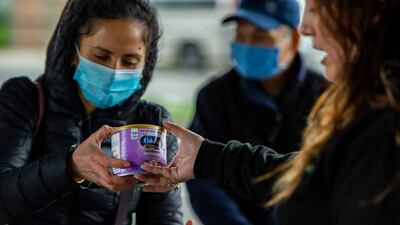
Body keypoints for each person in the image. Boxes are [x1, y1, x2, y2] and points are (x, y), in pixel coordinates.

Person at [135, 0, 400, 224]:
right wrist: (207, 158)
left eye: (317, 9)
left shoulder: (372, 119)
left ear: (369, 13)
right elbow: (308, 175)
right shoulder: (216, 94)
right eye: (241, 34)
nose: (307, 27)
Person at [0, 0, 183, 224]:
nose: (114, 71)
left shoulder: (151, 123)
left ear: (146, 65)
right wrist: (70, 165)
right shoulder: (23, 99)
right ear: (73, 52)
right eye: (101, 56)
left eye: (130, 61)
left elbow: (162, 216)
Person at [186, 0, 326, 224]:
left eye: (260, 37)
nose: (247, 45)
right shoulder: (215, 96)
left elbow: (324, 181)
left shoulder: (326, 98)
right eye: (240, 36)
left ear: (294, 39)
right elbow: (203, 179)